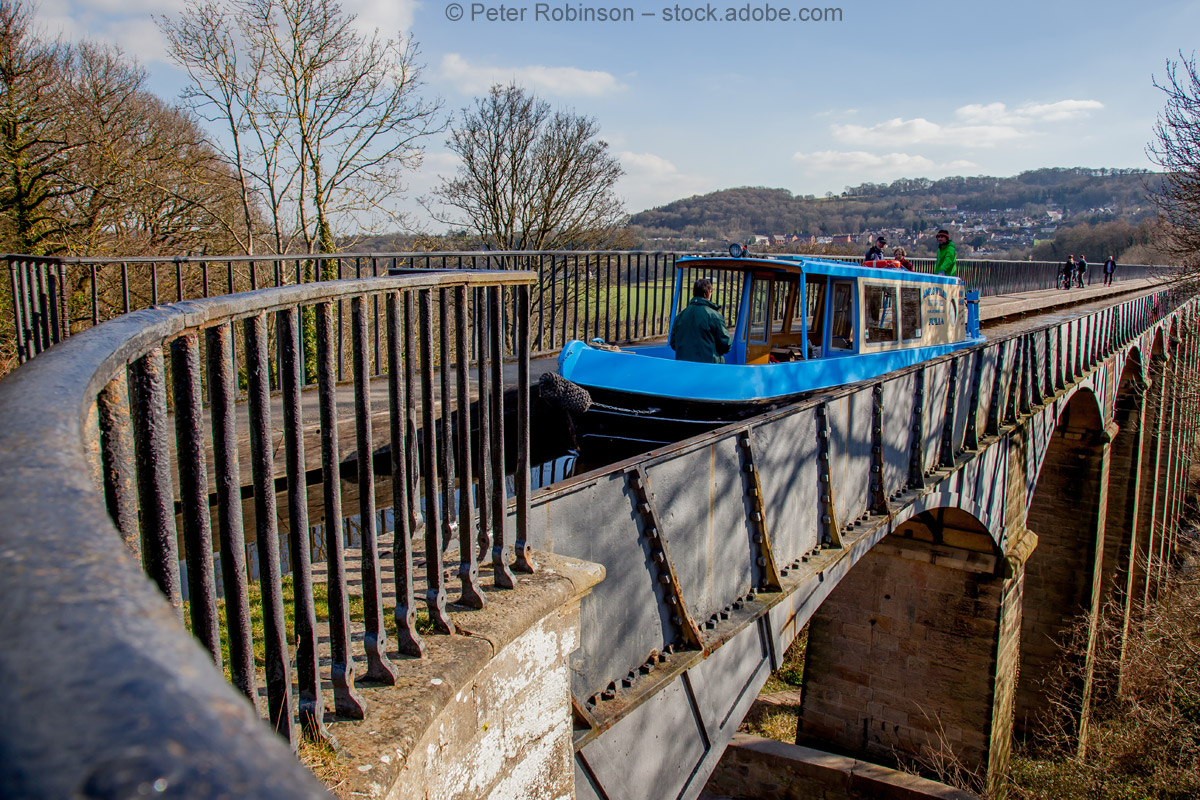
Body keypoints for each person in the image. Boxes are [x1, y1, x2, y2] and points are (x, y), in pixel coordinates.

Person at [669, 277, 733, 364]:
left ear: (694, 292)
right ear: (709, 292)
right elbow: (725, 344)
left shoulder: (680, 316)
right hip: (710, 368)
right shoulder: (714, 316)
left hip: (684, 366)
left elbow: (674, 342)